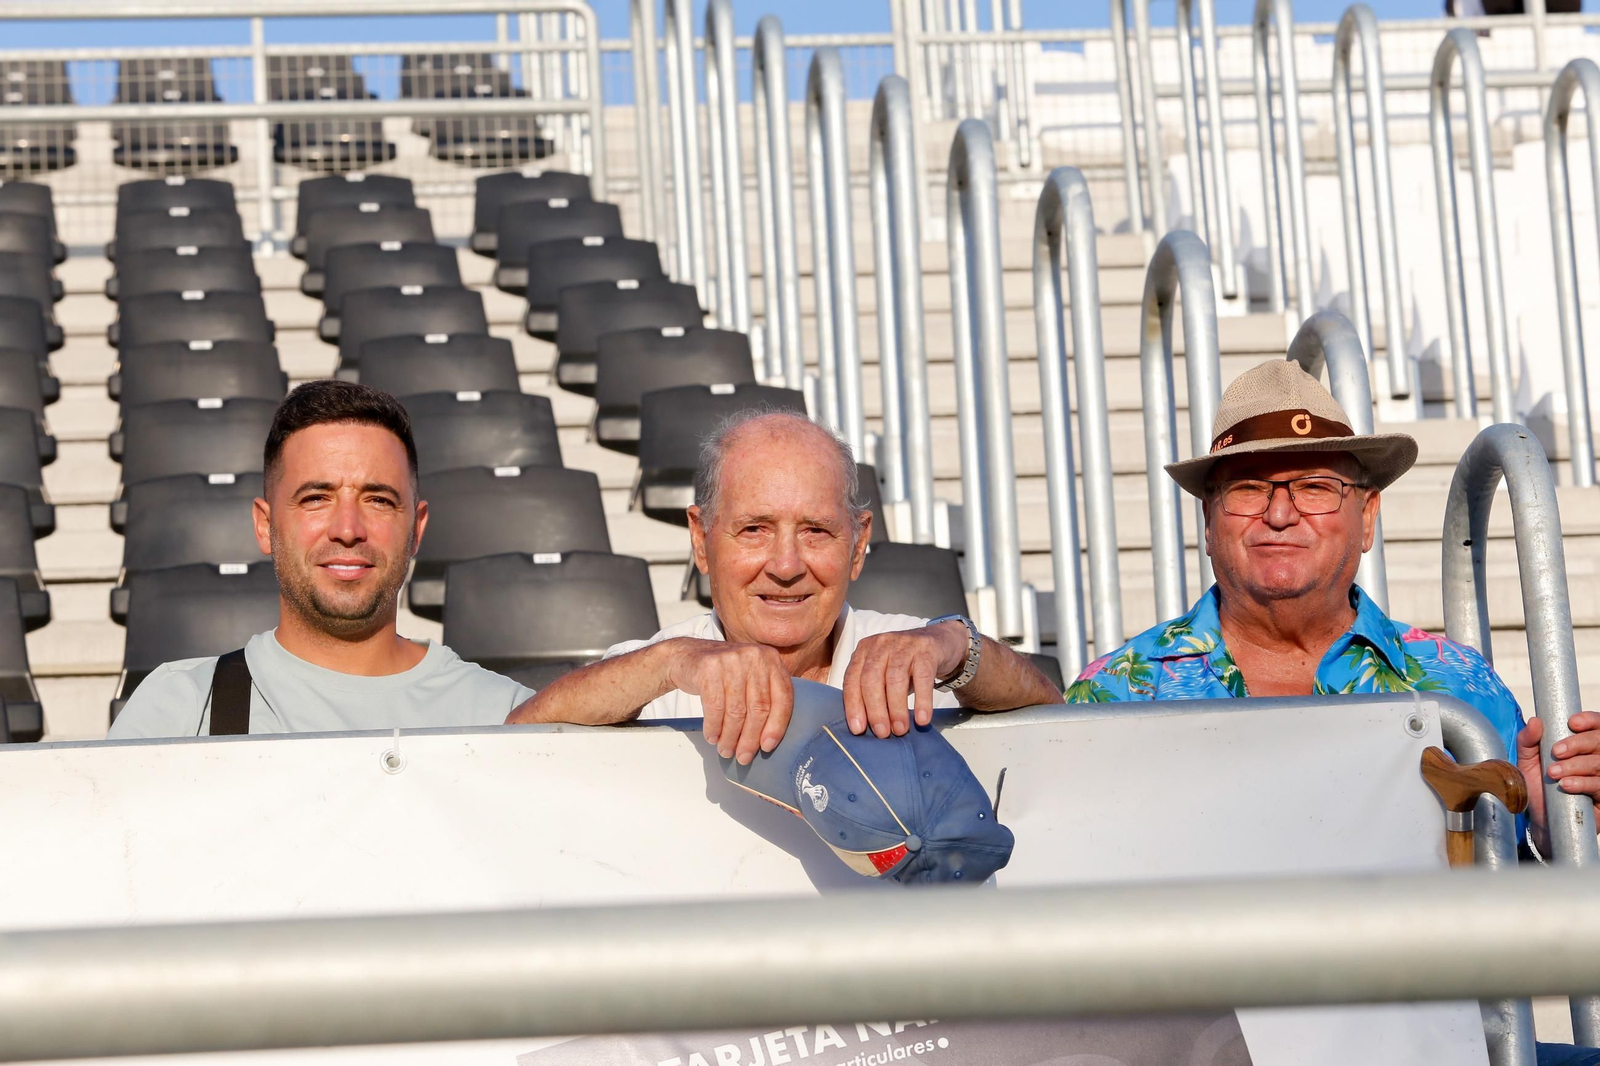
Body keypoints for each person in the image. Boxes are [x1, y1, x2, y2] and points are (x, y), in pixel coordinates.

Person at [1068, 361, 1600, 873]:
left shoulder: (1461, 684)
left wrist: (1546, 830)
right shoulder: (1116, 692)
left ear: (1366, 518)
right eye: (1248, 488)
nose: (1279, 515)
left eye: (1314, 487)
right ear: (1209, 521)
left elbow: (1515, 899)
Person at [508, 409, 1061, 764]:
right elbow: (518, 741)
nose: (787, 564)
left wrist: (955, 646)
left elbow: (1058, 724)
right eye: (754, 530)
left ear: (858, 543)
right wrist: (670, 662)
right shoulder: (656, 675)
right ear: (701, 541)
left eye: (817, 531)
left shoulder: (916, 657)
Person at [109, 380, 537, 738]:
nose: (348, 529)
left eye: (379, 500)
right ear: (264, 525)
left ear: (416, 530)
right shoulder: (176, 712)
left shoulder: (503, 712)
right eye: (315, 498)